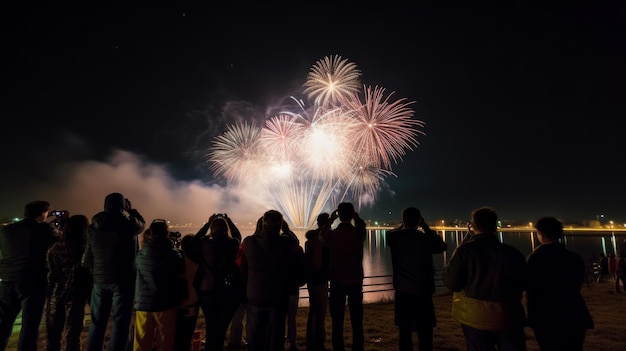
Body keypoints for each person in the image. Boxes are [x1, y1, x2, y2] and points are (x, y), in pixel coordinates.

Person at [443, 206, 527, 351]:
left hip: (475, 318)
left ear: (472, 226)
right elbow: (525, 283)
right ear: (495, 227)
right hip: (508, 316)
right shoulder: (514, 254)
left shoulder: (464, 251)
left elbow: (452, 283)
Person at [82, 192, 145, 351]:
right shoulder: (127, 225)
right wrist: (131, 211)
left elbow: (88, 257)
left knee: (97, 322)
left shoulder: (93, 227)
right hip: (122, 280)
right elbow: (142, 224)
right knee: (120, 321)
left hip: (99, 280)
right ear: (122, 205)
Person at [526, 216, 593, 350]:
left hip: (546, 318)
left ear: (541, 234)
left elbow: (530, 288)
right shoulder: (574, 258)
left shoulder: (535, 259)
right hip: (574, 315)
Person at [241, 211, 305, 351]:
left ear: (263, 225)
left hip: (254, 296)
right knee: (275, 338)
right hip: (277, 297)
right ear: (280, 226)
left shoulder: (249, 242)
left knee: (255, 336)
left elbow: (254, 238)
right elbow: (295, 242)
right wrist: (286, 229)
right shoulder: (286, 243)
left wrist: (259, 229)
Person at [387, 207, 448, 351]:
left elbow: (393, 232)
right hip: (423, 292)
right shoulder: (425, 239)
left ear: (403, 220)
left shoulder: (394, 238)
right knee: (425, 334)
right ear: (419, 220)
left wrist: (404, 225)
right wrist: (425, 227)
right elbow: (442, 246)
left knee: (404, 334)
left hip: (403, 292)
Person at [0, 200, 57, 351]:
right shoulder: (42, 229)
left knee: (3, 323)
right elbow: (57, 240)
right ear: (43, 213)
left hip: (7, 281)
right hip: (32, 281)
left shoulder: (6, 230)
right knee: (30, 325)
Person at [193, 213, 243, 351]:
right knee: (221, 327)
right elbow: (238, 236)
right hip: (227, 291)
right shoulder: (232, 244)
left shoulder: (204, 243)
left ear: (212, 228)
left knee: (211, 325)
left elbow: (194, 241)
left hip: (207, 290)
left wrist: (207, 224)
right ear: (226, 228)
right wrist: (229, 221)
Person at [133, 220, 184, 351]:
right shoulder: (173, 254)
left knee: (141, 340)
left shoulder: (140, 254)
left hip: (143, 303)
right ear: (166, 232)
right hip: (165, 303)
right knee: (165, 339)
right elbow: (180, 269)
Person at [46, 214, 93, 351]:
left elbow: (51, 274)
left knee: (53, 333)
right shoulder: (84, 248)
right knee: (73, 332)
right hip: (75, 293)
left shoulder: (54, 248)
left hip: (55, 293)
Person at [323, 202, 366, 351]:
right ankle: (358, 347)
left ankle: (338, 348)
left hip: (336, 281)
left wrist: (330, 220)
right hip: (355, 280)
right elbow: (362, 226)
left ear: (339, 215)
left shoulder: (332, 234)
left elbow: (322, 235)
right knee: (357, 321)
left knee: (337, 322)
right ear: (353, 215)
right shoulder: (359, 233)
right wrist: (356, 217)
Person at [304, 213, 331, 351]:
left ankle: (312, 341)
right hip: (319, 279)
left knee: (314, 311)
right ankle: (318, 343)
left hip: (312, 279)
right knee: (319, 312)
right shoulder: (318, 241)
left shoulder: (310, 240)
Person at [173, 235, 201, 351]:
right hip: (192, 305)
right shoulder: (198, 263)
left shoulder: (176, 259)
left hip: (175, 305)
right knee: (186, 339)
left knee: (175, 339)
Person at [284, 221, 306, 351]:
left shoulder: (276, 250)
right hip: (292, 288)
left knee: (278, 319)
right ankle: (292, 343)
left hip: (278, 289)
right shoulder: (297, 251)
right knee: (291, 319)